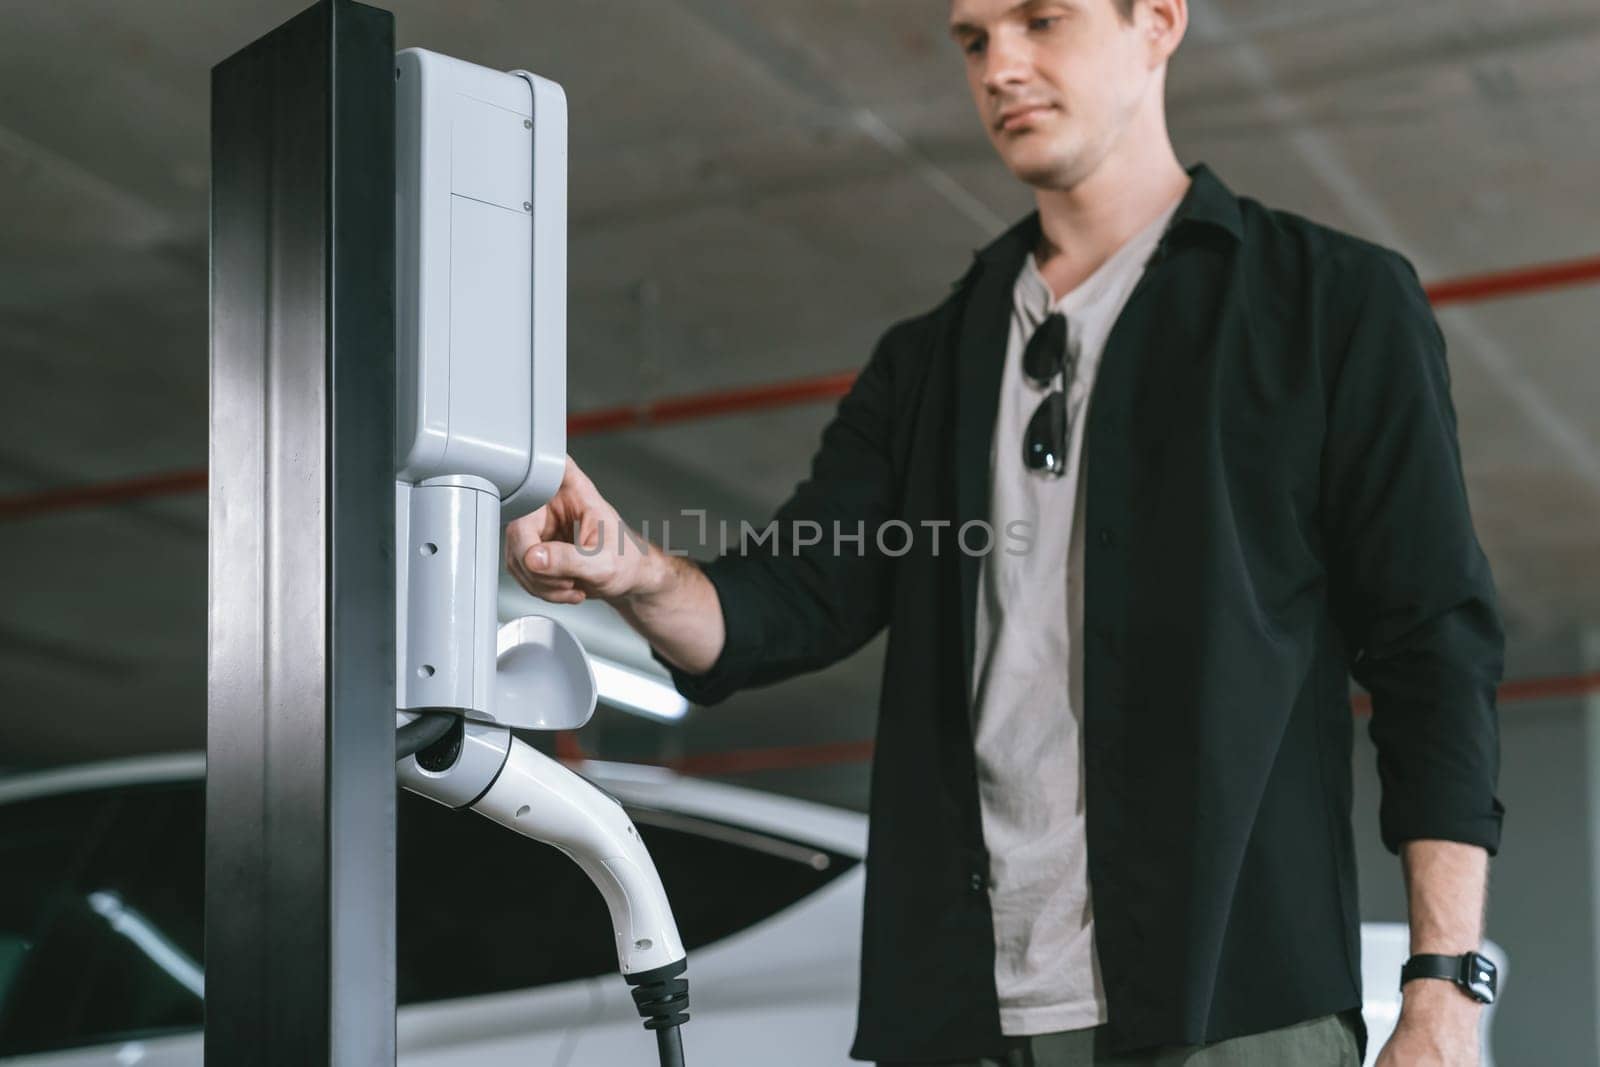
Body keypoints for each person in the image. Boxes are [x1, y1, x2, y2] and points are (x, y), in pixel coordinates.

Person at [505, 0, 1506, 1064]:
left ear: (1157, 22)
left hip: (1233, 1006)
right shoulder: (929, 360)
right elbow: (789, 597)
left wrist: (1442, 986)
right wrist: (634, 569)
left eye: (1039, 20)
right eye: (974, 39)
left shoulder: (1330, 304)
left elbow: (1430, 650)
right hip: (964, 1015)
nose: (1001, 66)